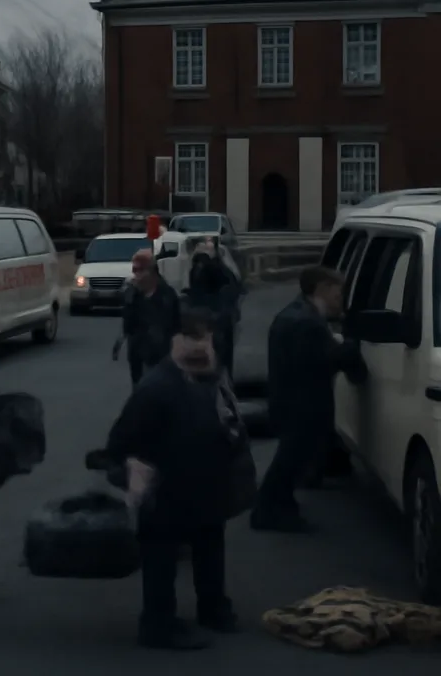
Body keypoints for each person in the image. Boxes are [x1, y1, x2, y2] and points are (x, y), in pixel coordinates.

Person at [106, 306, 242, 650]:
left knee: (210, 549)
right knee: (161, 561)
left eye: (207, 338)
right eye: (192, 338)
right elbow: (119, 443)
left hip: (205, 486)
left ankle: (213, 609)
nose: (202, 346)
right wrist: (133, 473)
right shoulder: (156, 388)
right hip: (166, 492)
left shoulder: (206, 378)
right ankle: (158, 626)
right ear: (172, 341)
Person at [251, 266, 364, 533]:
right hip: (302, 406)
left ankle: (281, 507)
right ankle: (268, 511)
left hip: (290, 402)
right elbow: (324, 361)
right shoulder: (307, 324)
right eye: (338, 295)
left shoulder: (298, 315)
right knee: (289, 464)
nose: (341, 302)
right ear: (321, 289)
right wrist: (348, 347)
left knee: (290, 462)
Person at [115, 248, 182, 387]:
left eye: (140, 271)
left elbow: (173, 325)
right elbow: (128, 324)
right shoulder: (132, 294)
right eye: (134, 270)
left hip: (161, 355)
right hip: (137, 354)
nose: (136, 275)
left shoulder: (166, 295)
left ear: (152, 272)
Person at [184, 240, 241, 379]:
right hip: (205, 320)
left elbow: (229, 291)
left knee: (219, 359)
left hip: (217, 320)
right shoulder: (197, 268)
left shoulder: (218, 269)